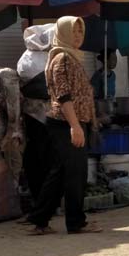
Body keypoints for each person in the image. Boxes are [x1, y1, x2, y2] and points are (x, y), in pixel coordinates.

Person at [29, 16, 100, 235]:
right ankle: (75, 222)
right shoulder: (63, 58)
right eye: (74, 32)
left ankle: (40, 219)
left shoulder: (71, 56)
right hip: (66, 122)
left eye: (81, 32)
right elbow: (63, 94)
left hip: (72, 122)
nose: (78, 36)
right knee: (76, 173)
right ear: (64, 34)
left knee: (61, 172)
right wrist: (75, 126)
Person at [16, 24, 54, 199]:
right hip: (51, 116)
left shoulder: (26, 58)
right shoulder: (52, 57)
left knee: (35, 157)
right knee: (49, 157)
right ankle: (48, 199)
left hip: (32, 116)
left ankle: (39, 199)